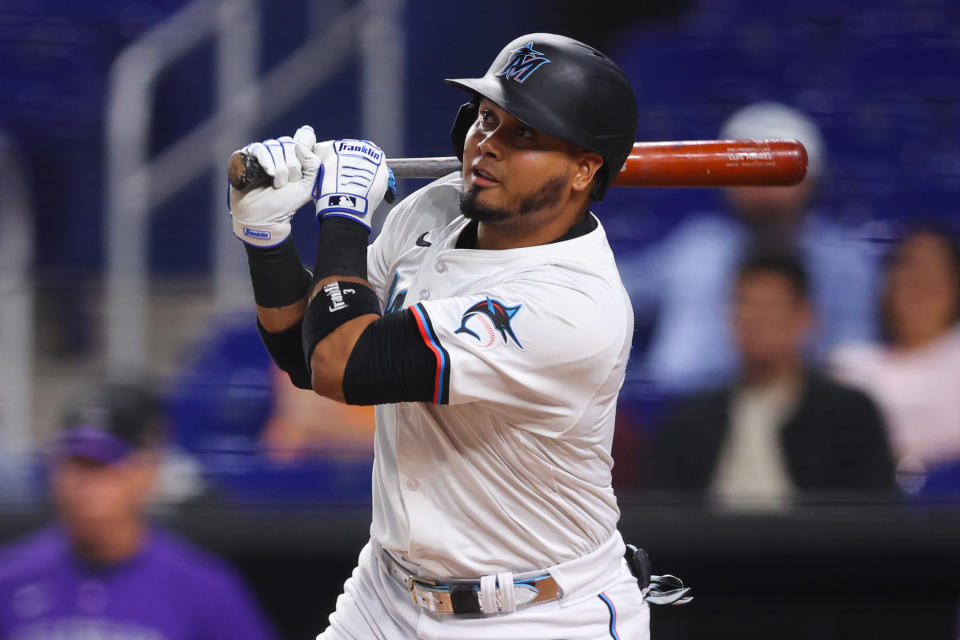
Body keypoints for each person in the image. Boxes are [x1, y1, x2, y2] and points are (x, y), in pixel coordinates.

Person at [227, 33, 672, 639]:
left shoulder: (574, 306)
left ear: (583, 170)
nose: (487, 145)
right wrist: (267, 237)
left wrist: (342, 217)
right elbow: (307, 356)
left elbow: (343, 365)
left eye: (524, 135)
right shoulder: (438, 208)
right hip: (387, 597)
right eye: (487, 118)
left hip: (538, 613)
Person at [617, 102, 879, 394]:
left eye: (776, 174)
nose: (762, 189)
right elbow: (617, 289)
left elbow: (855, 367)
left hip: (807, 417)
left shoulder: (845, 262)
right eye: (748, 176)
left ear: (810, 181)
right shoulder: (698, 247)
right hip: (684, 410)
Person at [0, 382, 278, 639]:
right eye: (73, 465)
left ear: (146, 473)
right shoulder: (10, 578)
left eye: (101, 466)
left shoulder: (204, 589)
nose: (82, 484)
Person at [647, 252, 896, 509]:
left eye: (773, 307)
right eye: (746, 305)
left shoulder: (851, 415)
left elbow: (874, 520)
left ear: (805, 317)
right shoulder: (688, 423)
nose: (758, 320)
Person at [831, 226, 960, 491]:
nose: (916, 280)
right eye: (905, 268)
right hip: (872, 512)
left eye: (932, 271)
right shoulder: (848, 365)